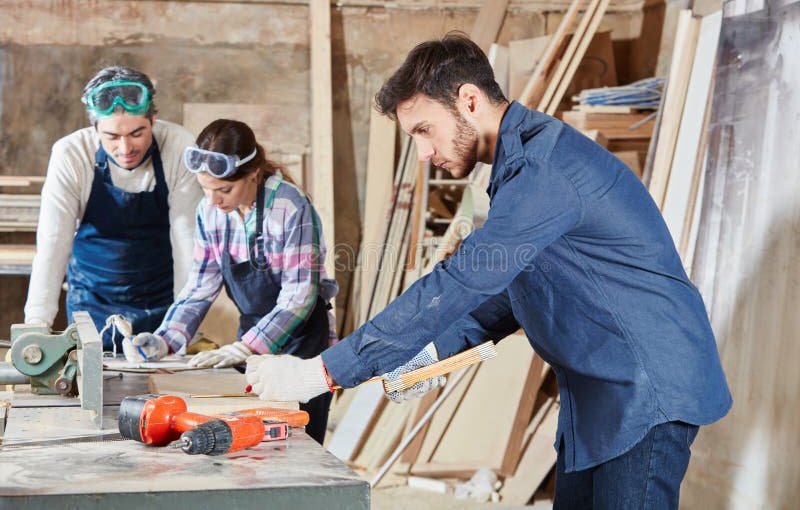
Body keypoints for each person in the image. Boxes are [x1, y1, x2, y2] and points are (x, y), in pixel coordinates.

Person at [243, 32, 733, 507]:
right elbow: (512, 289)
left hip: (645, 387)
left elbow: (461, 280)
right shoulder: (517, 167)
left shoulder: (544, 171)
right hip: (598, 386)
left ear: (470, 101)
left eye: (423, 130)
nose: (423, 152)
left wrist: (323, 373)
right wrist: (432, 351)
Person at [122, 119, 338, 444]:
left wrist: (248, 346)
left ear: (252, 174)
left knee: (297, 443)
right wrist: (164, 340)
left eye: (224, 190)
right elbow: (200, 286)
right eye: (205, 189)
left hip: (303, 343)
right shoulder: (210, 212)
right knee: (253, 440)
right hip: (252, 335)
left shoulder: (290, 205)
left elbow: (300, 296)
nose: (213, 201)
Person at [25, 66, 202, 351]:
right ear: (95, 128)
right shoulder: (71, 153)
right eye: (111, 137)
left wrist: (183, 327)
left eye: (137, 133)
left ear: (153, 120)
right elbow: (53, 243)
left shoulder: (179, 146)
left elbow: (187, 244)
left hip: (161, 297)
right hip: (91, 298)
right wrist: (36, 325)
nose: (125, 147)